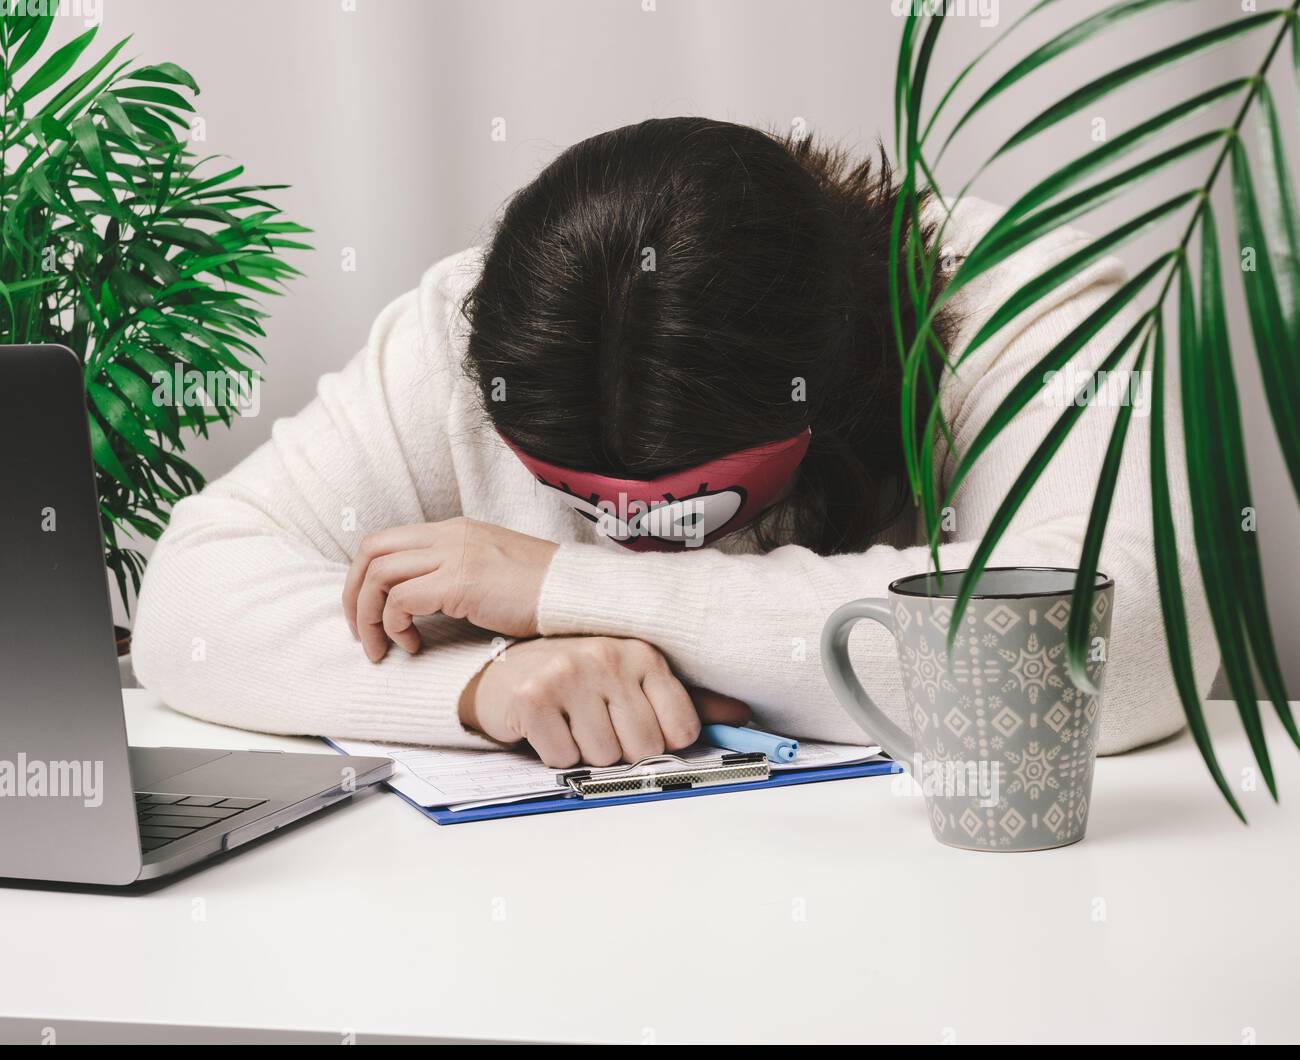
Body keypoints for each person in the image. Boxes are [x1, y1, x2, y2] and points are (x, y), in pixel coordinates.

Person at [131, 117, 1217, 768]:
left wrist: (567, 588)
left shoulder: (1032, 303)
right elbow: (184, 608)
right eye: (574, 500)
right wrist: (486, 688)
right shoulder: (475, 329)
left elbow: (1109, 654)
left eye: (693, 512)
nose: (635, 538)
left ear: (828, 396)